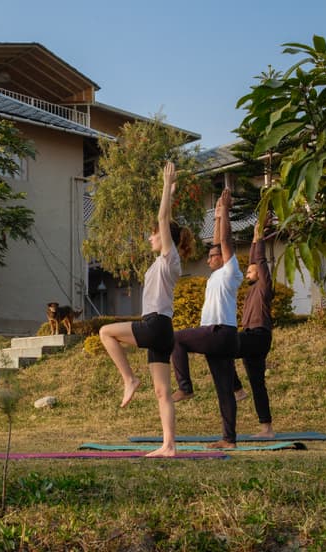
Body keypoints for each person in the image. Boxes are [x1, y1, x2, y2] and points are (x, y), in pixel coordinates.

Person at [98, 161, 194, 457]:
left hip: (154, 325)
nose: (151, 237)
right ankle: (169, 445)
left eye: (153, 235)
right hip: (164, 330)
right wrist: (172, 193)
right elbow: (169, 223)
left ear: (165, 239)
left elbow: (163, 219)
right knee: (163, 392)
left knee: (105, 332)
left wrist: (166, 186)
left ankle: (129, 379)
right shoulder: (165, 262)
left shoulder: (169, 257)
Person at [170, 188, 243, 449]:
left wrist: (225, 214)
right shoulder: (216, 276)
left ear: (223, 259)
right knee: (224, 391)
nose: (209, 258)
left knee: (175, 339)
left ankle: (185, 387)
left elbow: (224, 243)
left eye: (213, 256)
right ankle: (229, 439)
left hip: (219, 332)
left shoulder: (231, 271)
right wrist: (216, 218)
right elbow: (217, 242)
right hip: (222, 337)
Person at [231, 217, 275, 438]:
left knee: (222, 345)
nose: (246, 274)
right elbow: (252, 259)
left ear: (259, 272)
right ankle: (267, 429)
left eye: (250, 271)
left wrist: (260, 237)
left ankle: (237, 390)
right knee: (258, 384)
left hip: (258, 335)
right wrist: (256, 234)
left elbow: (258, 259)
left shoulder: (264, 285)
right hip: (253, 338)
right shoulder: (252, 290)